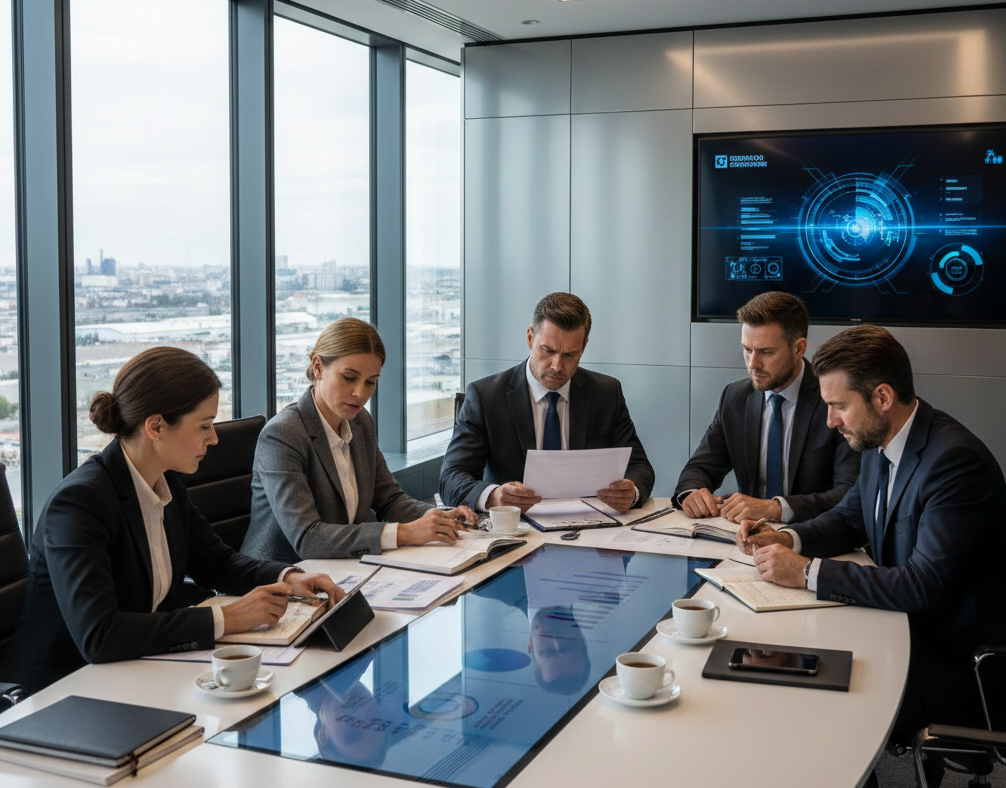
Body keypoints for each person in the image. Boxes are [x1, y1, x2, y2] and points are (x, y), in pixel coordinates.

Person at [1, 347, 342, 696]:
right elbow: (100, 635)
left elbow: (215, 561)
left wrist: (288, 578)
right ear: (156, 426)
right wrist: (226, 618)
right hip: (62, 689)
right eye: (204, 426)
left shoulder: (164, 482)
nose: (214, 438)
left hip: (141, 669)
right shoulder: (79, 504)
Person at [737, 325, 1006, 750]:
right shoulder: (881, 442)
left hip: (950, 662)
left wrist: (807, 572)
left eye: (838, 406)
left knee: (808, 705)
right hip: (901, 630)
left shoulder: (954, 462)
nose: (829, 421)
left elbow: (923, 586)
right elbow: (849, 519)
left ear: (882, 398)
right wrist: (786, 538)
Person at [242, 317, 476, 564]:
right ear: (318, 367)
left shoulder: (360, 421)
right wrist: (405, 533)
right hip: (277, 578)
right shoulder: (283, 435)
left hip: (342, 569)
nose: (360, 393)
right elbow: (308, 538)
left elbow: (389, 499)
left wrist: (440, 517)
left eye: (370, 382)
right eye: (349, 377)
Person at [439, 292, 654, 514]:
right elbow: (451, 478)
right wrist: (493, 496)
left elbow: (640, 467)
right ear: (530, 338)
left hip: (590, 528)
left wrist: (632, 491)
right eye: (548, 350)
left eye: (570, 355)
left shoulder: (606, 393)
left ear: (584, 347)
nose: (557, 366)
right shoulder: (486, 397)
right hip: (516, 530)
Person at [674, 291, 859, 523]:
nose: (753, 364)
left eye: (766, 352)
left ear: (799, 348)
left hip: (816, 537)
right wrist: (693, 493)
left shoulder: (834, 401)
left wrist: (775, 509)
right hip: (747, 539)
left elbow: (850, 492)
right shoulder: (734, 397)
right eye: (747, 349)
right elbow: (700, 467)